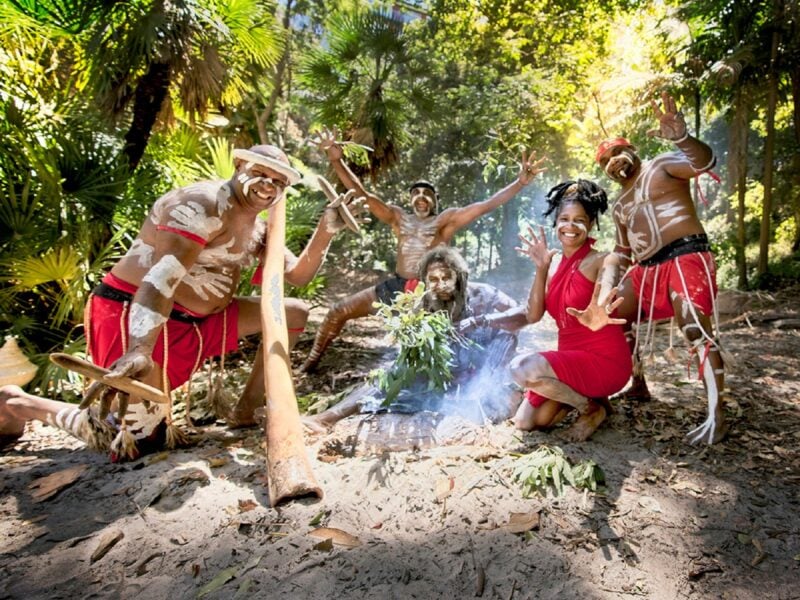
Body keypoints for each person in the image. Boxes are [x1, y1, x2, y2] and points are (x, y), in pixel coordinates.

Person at [0, 144, 360, 460]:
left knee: (293, 312)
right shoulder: (199, 205)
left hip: (196, 324)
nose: (268, 185)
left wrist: (325, 230)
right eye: (260, 174)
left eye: (277, 181)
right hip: (138, 315)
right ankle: (21, 404)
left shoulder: (260, 228)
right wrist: (140, 347)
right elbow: (159, 281)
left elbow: (295, 277)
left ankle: (247, 410)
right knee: (136, 439)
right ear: (238, 166)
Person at [299, 128, 546, 372]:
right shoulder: (396, 217)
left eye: (427, 194)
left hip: (433, 292)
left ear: (435, 200)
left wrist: (520, 182)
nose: (421, 197)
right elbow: (361, 193)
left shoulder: (445, 222)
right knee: (338, 311)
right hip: (398, 286)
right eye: (416, 193)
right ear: (410, 200)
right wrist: (335, 157)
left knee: (426, 342)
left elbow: (485, 205)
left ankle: (442, 376)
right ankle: (309, 363)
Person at [594, 91, 727, 444]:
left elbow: (705, 163)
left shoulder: (663, 165)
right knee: (610, 314)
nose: (613, 161)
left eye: (617, 152)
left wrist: (682, 137)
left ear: (633, 150)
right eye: (605, 160)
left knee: (695, 328)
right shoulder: (620, 204)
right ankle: (637, 383)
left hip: (685, 256)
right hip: (646, 270)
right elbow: (622, 250)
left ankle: (717, 415)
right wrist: (605, 284)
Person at [303, 246, 528, 432]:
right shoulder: (425, 304)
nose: (440, 284)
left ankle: (477, 405)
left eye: (446, 277)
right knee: (395, 371)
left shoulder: (485, 295)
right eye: (433, 279)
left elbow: (524, 315)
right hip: (446, 375)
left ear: (460, 277)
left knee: (506, 339)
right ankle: (327, 418)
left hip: (486, 372)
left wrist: (481, 321)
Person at [510, 179, 631, 442]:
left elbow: (607, 281)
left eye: (580, 220)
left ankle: (590, 408)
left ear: (591, 225)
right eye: (564, 218)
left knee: (521, 368)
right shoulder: (552, 269)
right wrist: (541, 268)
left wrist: (599, 309)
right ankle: (590, 400)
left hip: (605, 362)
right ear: (556, 223)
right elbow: (533, 316)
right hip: (572, 362)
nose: (570, 226)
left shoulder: (603, 259)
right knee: (529, 422)